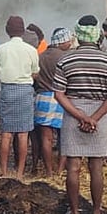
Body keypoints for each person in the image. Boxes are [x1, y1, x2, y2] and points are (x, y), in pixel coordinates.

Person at [53, 15, 107, 214]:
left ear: (78, 35)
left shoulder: (65, 60)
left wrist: (81, 116)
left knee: (73, 167)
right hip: (99, 117)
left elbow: (58, 94)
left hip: (73, 115)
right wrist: (94, 118)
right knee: (96, 168)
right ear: (97, 36)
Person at [0, 15, 41, 179]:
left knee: (6, 134)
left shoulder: (0, 49)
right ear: (22, 32)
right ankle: (20, 173)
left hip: (7, 90)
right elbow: (35, 73)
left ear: (7, 31)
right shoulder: (31, 50)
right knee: (23, 134)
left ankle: (5, 172)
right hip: (25, 92)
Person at [34, 27, 73, 176]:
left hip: (42, 98)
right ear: (61, 42)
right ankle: (60, 169)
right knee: (64, 136)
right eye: (68, 41)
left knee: (46, 138)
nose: (70, 43)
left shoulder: (41, 56)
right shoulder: (65, 57)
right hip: (61, 98)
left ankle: (49, 171)